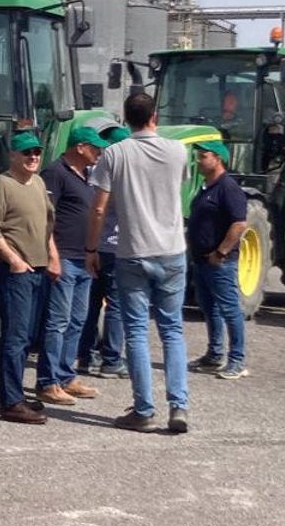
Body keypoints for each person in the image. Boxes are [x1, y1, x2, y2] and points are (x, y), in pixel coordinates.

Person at [87, 93, 190, 434]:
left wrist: (91, 248)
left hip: (133, 252)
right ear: (154, 117)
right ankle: (179, 406)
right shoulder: (178, 151)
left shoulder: (114, 154)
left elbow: (100, 207)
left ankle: (144, 409)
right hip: (173, 249)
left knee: (136, 331)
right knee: (172, 330)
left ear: (125, 119)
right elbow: (180, 188)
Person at [0, 129, 59, 424]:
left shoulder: (38, 183)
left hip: (39, 270)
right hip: (16, 272)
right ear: (12, 155)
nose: (33, 157)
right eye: (26, 152)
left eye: (37, 152)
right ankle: (10, 402)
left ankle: (16, 393)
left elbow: (47, 223)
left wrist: (53, 256)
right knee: (15, 338)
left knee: (27, 337)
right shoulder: (2, 185)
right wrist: (14, 260)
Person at [38, 126, 106, 404]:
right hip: (63, 257)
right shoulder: (55, 173)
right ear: (79, 147)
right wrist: (52, 255)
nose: (99, 153)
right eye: (95, 147)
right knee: (58, 321)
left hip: (84, 259)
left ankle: (66, 376)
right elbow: (45, 217)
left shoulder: (88, 176)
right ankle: (48, 381)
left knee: (77, 320)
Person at [188, 140, 250, 379]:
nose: (198, 161)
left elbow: (239, 223)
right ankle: (214, 354)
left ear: (218, 158)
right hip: (202, 260)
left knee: (229, 309)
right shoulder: (206, 187)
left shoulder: (228, 187)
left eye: (203, 156)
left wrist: (221, 252)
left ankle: (237, 359)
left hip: (220, 262)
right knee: (209, 307)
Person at [77, 122, 129, 377]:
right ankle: (112, 358)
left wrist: (90, 246)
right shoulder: (123, 172)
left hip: (93, 244)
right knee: (116, 304)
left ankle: (86, 355)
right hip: (115, 245)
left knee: (91, 302)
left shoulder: (92, 171)